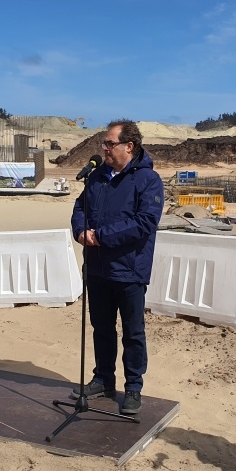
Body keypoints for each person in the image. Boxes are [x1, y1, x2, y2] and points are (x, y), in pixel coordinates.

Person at [71, 120, 164, 414]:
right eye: (104, 144)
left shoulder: (148, 181)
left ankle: (133, 387)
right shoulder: (96, 176)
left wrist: (100, 237)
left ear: (129, 146)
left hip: (129, 270)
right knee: (101, 328)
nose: (104, 149)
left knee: (133, 332)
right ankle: (103, 379)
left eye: (110, 144)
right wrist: (80, 232)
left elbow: (144, 222)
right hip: (98, 269)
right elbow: (79, 208)